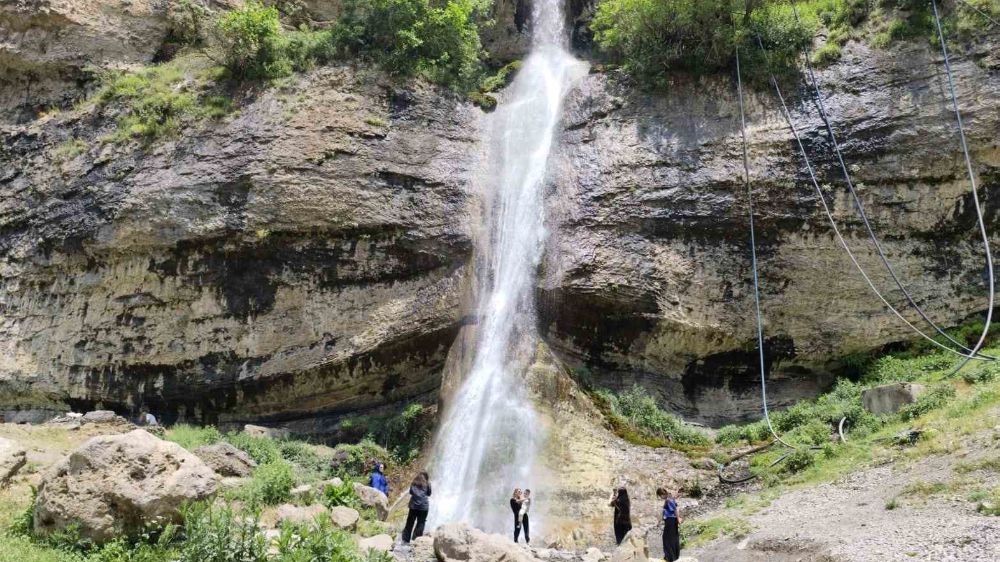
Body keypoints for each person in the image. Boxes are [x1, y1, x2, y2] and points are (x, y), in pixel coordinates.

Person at [401, 471, 431, 543]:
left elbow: (411, 492)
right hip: (424, 507)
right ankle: (416, 541)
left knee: (410, 523)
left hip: (414, 506)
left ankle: (405, 540)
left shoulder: (414, 483)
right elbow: (429, 493)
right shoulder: (427, 483)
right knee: (420, 523)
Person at [657, 487, 682, 562]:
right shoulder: (670, 498)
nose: (660, 498)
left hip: (670, 520)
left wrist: (678, 519)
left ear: (662, 494)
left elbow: (675, 509)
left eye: (659, 496)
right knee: (673, 537)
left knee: (667, 539)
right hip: (671, 520)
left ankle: (669, 557)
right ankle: (674, 556)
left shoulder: (668, 500)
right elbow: (676, 506)